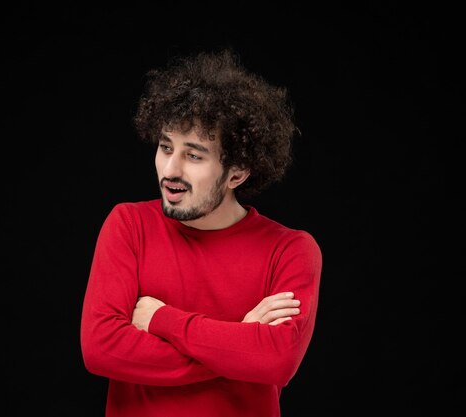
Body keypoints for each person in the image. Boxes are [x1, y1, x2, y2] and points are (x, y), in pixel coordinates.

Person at [80, 48, 322, 417]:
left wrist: (161, 320)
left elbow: (277, 360)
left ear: (237, 173)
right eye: (165, 148)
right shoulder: (129, 225)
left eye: (194, 156)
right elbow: (100, 348)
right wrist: (239, 342)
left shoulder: (290, 249)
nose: (170, 170)